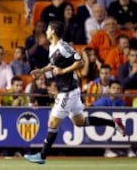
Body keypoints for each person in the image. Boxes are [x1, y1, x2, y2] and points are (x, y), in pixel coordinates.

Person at [24, 21, 126, 164]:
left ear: (52, 31)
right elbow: (54, 64)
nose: (46, 31)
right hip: (69, 89)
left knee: (52, 121)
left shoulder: (63, 46)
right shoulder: (53, 47)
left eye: (47, 29)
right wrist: (42, 71)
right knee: (80, 122)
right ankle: (113, 123)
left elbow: (80, 62)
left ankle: (42, 155)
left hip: (67, 90)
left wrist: (63, 71)